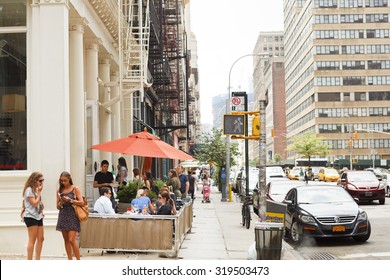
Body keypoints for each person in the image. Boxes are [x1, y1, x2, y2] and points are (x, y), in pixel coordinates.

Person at [56, 171, 83, 260]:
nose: (63, 183)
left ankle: (78, 259)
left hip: (72, 215)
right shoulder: (60, 190)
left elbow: (82, 202)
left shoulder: (75, 189)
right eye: (61, 181)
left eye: (65, 181)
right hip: (63, 215)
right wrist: (60, 203)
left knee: (72, 239)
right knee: (66, 240)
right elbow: (57, 206)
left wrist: (70, 200)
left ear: (69, 179)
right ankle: (69, 259)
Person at [21, 172, 45, 260]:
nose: (42, 182)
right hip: (31, 216)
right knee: (32, 239)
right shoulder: (29, 190)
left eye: (43, 180)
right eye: (40, 180)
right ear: (34, 180)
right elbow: (34, 203)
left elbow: (38, 204)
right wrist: (39, 193)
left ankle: (37, 259)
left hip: (38, 216)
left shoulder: (35, 189)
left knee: (41, 238)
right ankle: (30, 260)